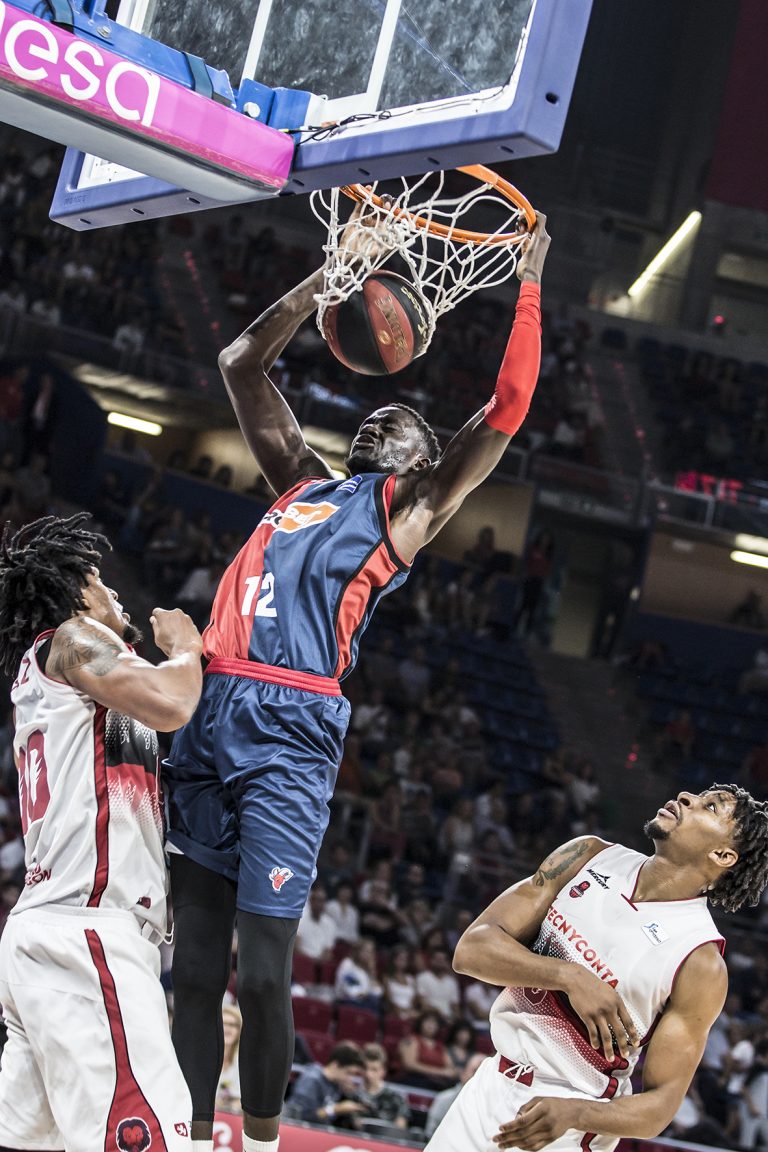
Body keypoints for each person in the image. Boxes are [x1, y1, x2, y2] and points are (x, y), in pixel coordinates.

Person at [164, 204, 550, 1152]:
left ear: (426, 469)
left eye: (410, 423)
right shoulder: (298, 483)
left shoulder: (408, 509)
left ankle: (255, 1141)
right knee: (192, 967)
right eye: (382, 410)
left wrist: (530, 287)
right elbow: (240, 365)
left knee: (261, 971)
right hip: (210, 705)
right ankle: (178, 1132)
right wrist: (331, 282)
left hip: (292, 726)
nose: (390, 415)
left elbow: (504, 409)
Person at [0, 512, 204, 1151]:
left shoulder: (58, 688)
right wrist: (188, 649)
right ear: (75, 592)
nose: (117, 594)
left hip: (50, 932)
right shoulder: (71, 638)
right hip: (88, 932)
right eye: (101, 580)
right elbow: (173, 703)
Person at [424, 783, 768, 1152]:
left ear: (722, 855)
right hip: (488, 1086)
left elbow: (661, 1105)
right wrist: (568, 976)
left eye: (711, 807)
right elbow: (471, 950)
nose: (687, 797)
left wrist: (578, 1115)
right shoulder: (587, 855)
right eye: (698, 795)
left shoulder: (699, 959)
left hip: (566, 1124)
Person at [282, 1042, 366, 1126]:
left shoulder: (336, 1084)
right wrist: (336, 1109)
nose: (349, 1079)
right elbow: (302, 1115)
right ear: (335, 1065)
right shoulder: (312, 1080)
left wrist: (347, 1094)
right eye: (348, 1073)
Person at [216, 1006, 243, 1113]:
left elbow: (242, 1100)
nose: (227, 1028)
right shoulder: (202, 1059)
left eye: (232, 1025)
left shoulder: (242, 1062)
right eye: (223, 1024)